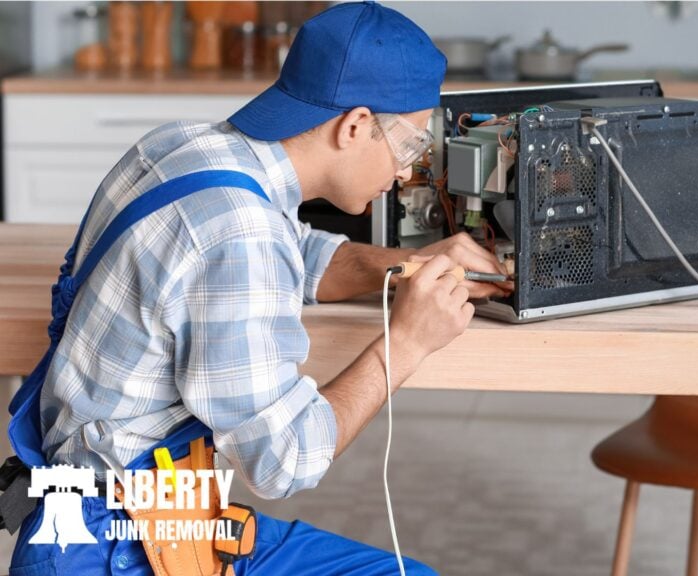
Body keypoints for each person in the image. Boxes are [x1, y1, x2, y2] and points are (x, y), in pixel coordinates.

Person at [5, 3, 506, 574]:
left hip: (126, 510)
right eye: (411, 147)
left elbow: (297, 253)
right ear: (356, 126)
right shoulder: (241, 234)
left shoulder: (184, 146)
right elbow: (285, 460)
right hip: (112, 546)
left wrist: (409, 263)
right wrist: (408, 342)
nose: (404, 174)